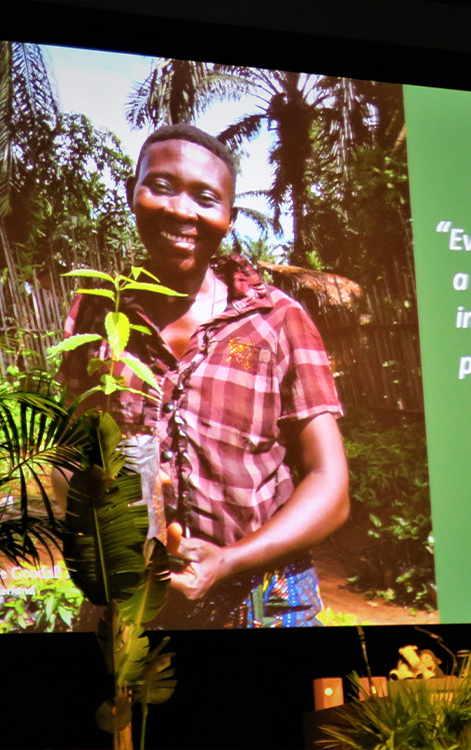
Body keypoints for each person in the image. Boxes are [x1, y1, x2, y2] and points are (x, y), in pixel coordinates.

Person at [59, 123, 349, 627]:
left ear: (228, 217)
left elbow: (331, 485)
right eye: (162, 186)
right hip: (131, 597)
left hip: (265, 601)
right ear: (134, 192)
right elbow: (73, 454)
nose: (180, 210)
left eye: (206, 197)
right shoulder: (97, 315)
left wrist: (228, 558)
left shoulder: (277, 321)